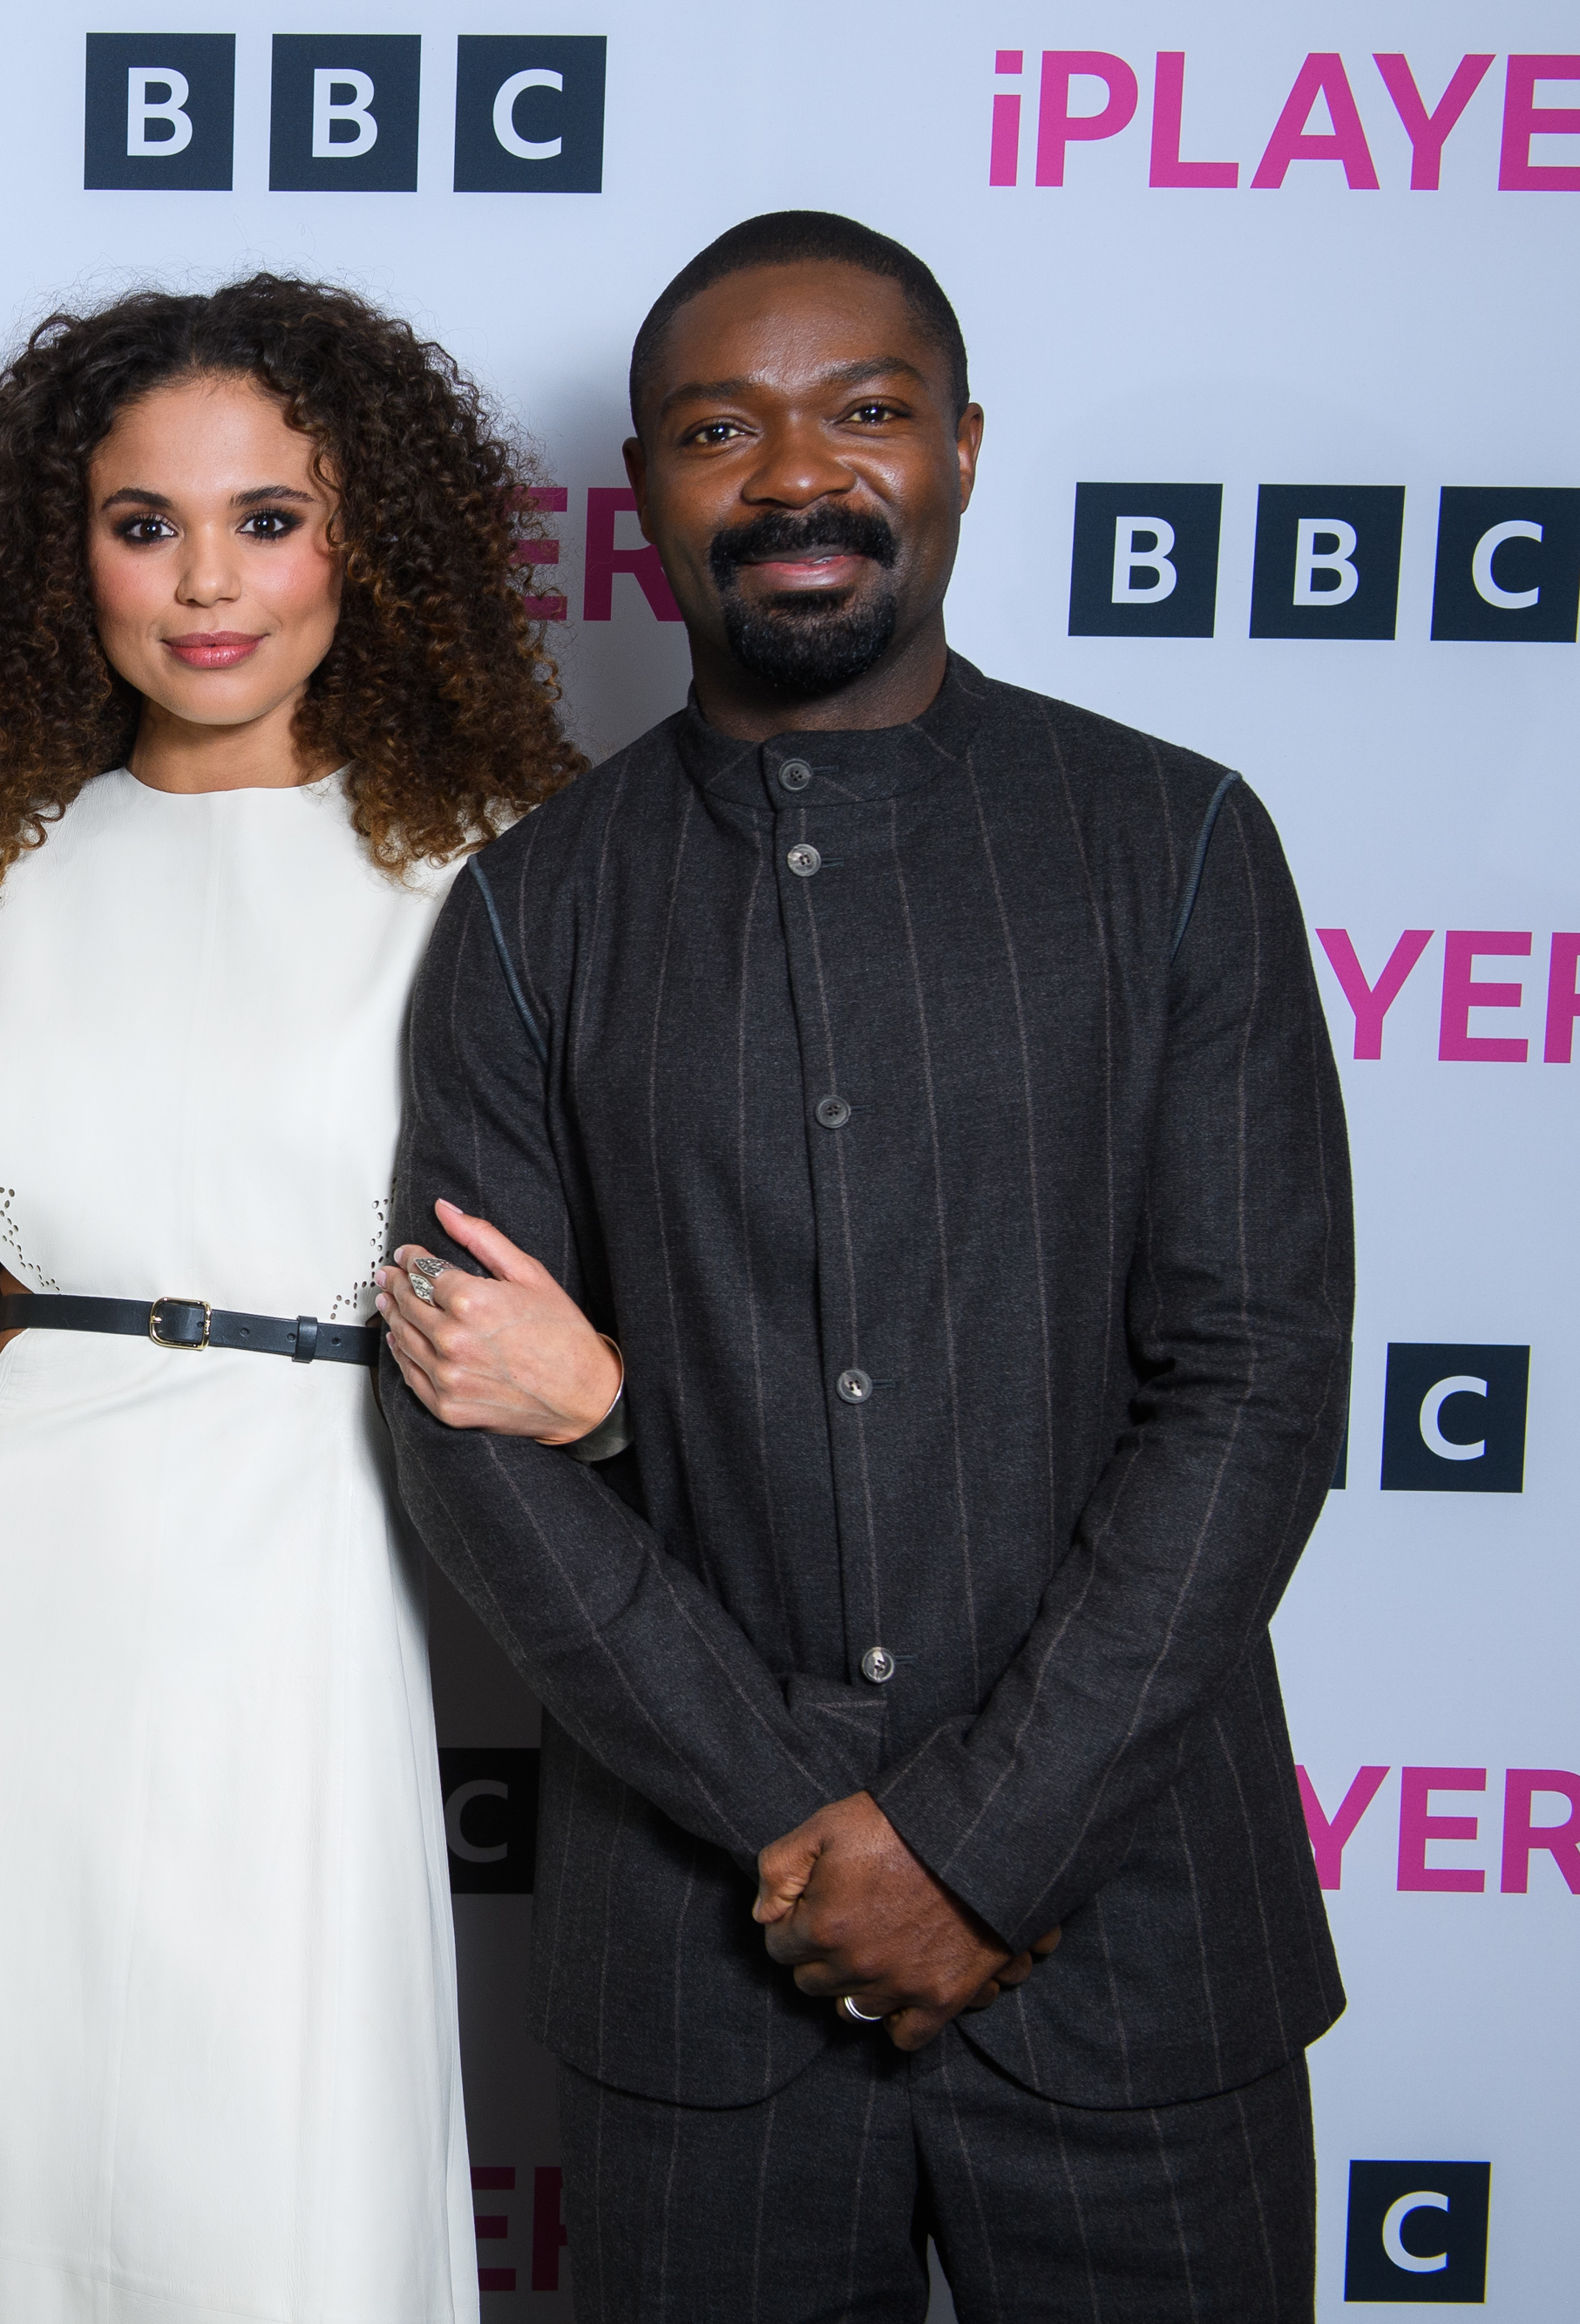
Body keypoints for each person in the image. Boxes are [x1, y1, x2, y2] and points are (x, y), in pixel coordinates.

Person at [377, 210, 1350, 2320]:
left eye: (864, 413)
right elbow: (472, 1435)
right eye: (719, 429)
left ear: (966, 449)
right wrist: (819, 1832)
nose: (793, 476)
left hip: (1138, 1957)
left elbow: (1254, 1386)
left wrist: (981, 1847)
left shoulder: (1173, 839)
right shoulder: (530, 912)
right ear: (638, 488)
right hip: (706, 1985)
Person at [0, 276, 596, 2323]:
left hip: (301, 1613)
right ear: (56, 549)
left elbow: (614, 1302)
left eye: (269, 519)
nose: (205, 585)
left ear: (372, 544)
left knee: (262, 2207)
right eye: (142, 520)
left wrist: (595, 1392)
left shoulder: (495, 870)